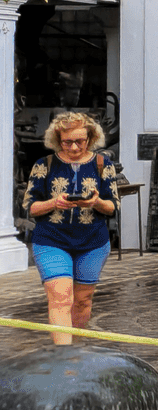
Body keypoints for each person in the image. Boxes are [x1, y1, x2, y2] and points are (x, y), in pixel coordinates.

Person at [19, 113, 126, 344]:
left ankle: (76, 354)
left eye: (81, 141)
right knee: (60, 296)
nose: (75, 147)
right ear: (58, 139)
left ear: (91, 138)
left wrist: (95, 202)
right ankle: (64, 358)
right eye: (68, 142)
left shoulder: (102, 165)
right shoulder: (43, 165)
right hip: (52, 240)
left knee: (82, 300)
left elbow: (113, 206)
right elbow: (30, 207)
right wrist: (53, 203)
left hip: (93, 242)